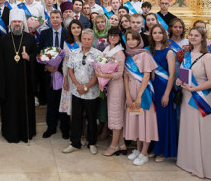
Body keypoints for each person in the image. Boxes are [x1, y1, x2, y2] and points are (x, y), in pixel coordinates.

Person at [175, 27, 211, 179]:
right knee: (190, 130)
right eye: (191, 35)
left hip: (202, 98)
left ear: (202, 38)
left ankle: (202, 167)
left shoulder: (207, 57)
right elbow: (184, 75)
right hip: (188, 96)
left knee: (202, 132)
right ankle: (189, 162)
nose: (193, 38)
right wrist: (179, 80)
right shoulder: (187, 55)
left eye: (196, 35)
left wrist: (195, 88)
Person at [0, 9, 38, 143]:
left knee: (25, 107)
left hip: (24, 81)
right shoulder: (4, 39)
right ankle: (10, 133)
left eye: (19, 22)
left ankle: (27, 131)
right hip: (9, 82)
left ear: (23, 23)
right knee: (10, 108)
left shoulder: (29, 38)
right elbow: (0, 62)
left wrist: (29, 58)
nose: (17, 24)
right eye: (14, 22)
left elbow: (36, 58)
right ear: (10, 23)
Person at [62, 29, 101, 154]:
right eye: (84, 39)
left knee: (91, 117)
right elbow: (70, 70)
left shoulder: (98, 54)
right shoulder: (74, 52)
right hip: (76, 91)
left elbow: (98, 74)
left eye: (89, 39)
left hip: (91, 92)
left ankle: (92, 142)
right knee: (77, 118)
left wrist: (87, 86)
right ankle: (75, 143)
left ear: (93, 40)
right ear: (81, 39)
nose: (86, 41)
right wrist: (78, 86)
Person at [123, 30, 159, 166]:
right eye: (128, 39)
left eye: (133, 39)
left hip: (143, 92)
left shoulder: (144, 55)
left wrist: (138, 96)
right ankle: (137, 149)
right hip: (131, 91)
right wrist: (128, 95)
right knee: (136, 120)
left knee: (146, 121)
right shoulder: (127, 56)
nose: (131, 41)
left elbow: (146, 76)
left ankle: (144, 152)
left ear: (139, 40)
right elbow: (125, 76)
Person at [148, 23, 178, 161]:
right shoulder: (149, 51)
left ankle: (162, 151)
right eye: (155, 33)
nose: (157, 35)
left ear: (164, 35)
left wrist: (167, 94)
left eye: (160, 33)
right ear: (151, 35)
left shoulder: (169, 52)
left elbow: (172, 75)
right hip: (151, 87)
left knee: (162, 119)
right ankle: (154, 148)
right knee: (152, 119)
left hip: (164, 88)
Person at [38, 10, 69, 139]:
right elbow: (41, 52)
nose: (55, 20)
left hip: (65, 74)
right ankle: (51, 127)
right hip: (50, 74)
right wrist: (46, 65)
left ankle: (65, 128)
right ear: (49, 20)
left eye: (57, 17)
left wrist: (60, 69)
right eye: (53, 17)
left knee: (64, 101)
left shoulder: (68, 33)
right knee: (51, 101)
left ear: (61, 19)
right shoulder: (44, 34)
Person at [99, 28, 126, 157]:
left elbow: (119, 74)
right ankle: (121, 144)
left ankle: (113, 146)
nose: (113, 37)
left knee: (116, 115)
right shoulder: (107, 49)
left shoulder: (119, 52)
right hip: (109, 86)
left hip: (117, 87)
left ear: (120, 37)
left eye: (116, 36)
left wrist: (103, 74)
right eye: (111, 35)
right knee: (114, 113)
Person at [61, 17, 83, 121]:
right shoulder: (67, 43)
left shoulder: (86, 41)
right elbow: (65, 62)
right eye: (73, 28)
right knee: (71, 105)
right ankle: (74, 129)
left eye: (78, 27)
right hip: (71, 77)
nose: (76, 30)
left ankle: (83, 128)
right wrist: (65, 78)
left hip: (84, 77)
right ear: (70, 30)